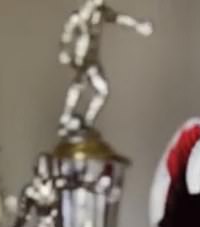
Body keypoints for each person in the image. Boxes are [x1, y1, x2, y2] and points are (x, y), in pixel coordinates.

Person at [59, 0, 153, 135]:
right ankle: (66, 116)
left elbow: (118, 18)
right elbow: (66, 35)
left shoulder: (101, 12)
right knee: (78, 85)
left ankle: (87, 121)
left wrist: (137, 25)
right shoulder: (79, 16)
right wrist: (64, 52)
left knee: (102, 90)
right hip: (82, 58)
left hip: (92, 60)